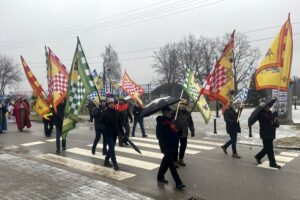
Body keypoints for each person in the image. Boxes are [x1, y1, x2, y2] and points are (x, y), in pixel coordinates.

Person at [156, 106, 185, 190]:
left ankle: (160, 176)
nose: (170, 113)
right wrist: (168, 131)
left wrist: (178, 131)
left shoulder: (170, 121)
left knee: (166, 162)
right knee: (172, 165)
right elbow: (159, 136)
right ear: (164, 112)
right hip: (166, 146)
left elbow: (174, 132)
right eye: (168, 112)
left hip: (172, 145)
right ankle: (178, 183)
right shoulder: (161, 122)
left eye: (170, 112)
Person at [254, 103, 281, 169]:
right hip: (265, 134)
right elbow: (267, 120)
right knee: (270, 149)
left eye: (268, 106)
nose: (267, 107)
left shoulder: (270, 113)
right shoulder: (260, 114)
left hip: (271, 133)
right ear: (263, 107)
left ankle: (258, 156)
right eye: (266, 106)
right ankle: (272, 163)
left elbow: (276, 124)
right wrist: (273, 116)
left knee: (267, 148)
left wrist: (276, 121)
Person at [102, 98, 123, 171]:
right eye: (110, 103)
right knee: (112, 149)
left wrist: (122, 133)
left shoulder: (117, 112)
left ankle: (106, 161)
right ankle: (115, 164)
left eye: (113, 103)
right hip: (107, 134)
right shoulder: (104, 113)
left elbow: (120, 124)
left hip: (115, 133)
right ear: (108, 105)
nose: (112, 104)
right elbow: (101, 123)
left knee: (111, 148)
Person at [174, 99, 195, 166]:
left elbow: (191, 123)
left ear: (186, 106)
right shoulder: (175, 112)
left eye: (184, 104)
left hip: (184, 133)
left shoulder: (188, 113)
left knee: (183, 146)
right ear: (179, 104)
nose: (182, 105)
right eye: (181, 104)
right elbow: (169, 120)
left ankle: (181, 159)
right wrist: (173, 122)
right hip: (176, 132)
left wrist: (192, 131)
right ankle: (175, 160)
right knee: (175, 146)